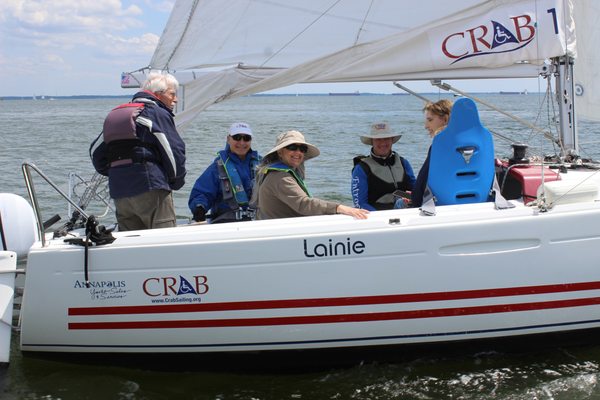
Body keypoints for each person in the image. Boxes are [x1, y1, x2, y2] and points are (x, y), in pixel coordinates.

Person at [90, 72, 186, 231]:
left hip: (120, 191)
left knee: (131, 244)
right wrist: (176, 181)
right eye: (172, 94)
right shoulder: (156, 113)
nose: (175, 99)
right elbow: (174, 150)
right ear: (158, 94)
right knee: (164, 242)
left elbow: (97, 155)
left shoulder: (116, 114)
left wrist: (117, 172)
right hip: (151, 186)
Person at [254, 130, 369, 220]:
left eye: (302, 148)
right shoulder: (280, 177)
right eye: (292, 147)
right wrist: (339, 208)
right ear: (280, 152)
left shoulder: (278, 173)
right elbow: (304, 204)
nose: (298, 152)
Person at [188, 122, 261, 223]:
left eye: (246, 138)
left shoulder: (261, 164)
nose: (242, 142)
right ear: (228, 139)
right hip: (225, 222)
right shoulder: (217, 167)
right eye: (237, 137)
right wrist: (199, 207)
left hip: (257, 222)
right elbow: (202, 192)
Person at [351, 122, 416, 210]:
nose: (383, 143)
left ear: (392, 140)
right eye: (378, 139)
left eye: (386, 138)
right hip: (379, 217)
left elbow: (415, 189)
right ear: (371, 142)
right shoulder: (361, 169)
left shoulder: (403, 163)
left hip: (405, 212)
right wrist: (381, 217)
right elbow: (360, 204)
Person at [411, 99, 453, 207]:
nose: (426, 126)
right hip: (468, 203)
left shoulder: (438, 147)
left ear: (445, 119)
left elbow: (420, 186)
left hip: (438, 206)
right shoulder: (472, 146)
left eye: (430, 120)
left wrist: (413, 200)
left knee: (399, 203)